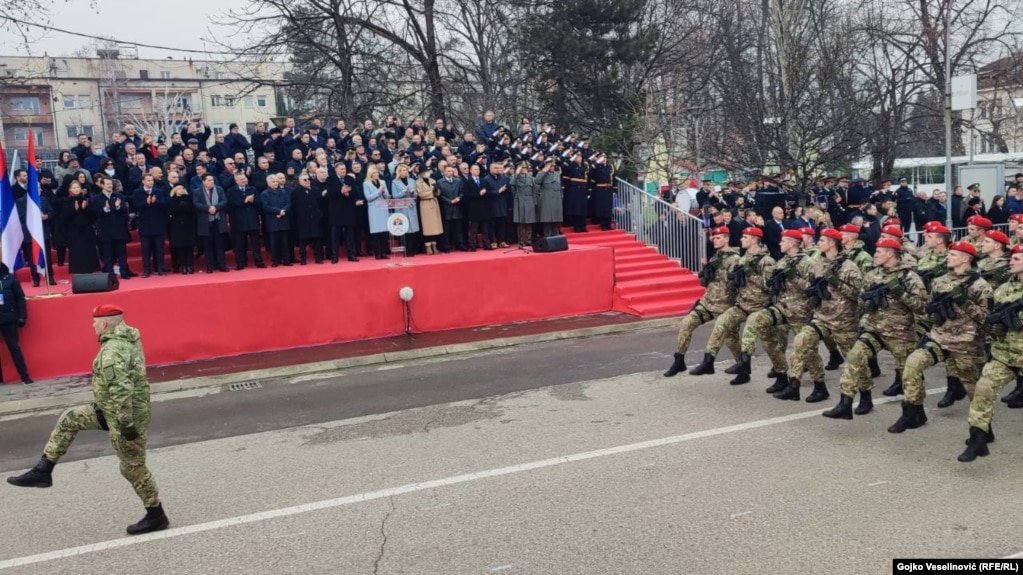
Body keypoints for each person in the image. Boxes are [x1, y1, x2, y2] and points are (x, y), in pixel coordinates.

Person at [7, 304, 169, 535]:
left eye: (94, 322)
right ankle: (44, 470)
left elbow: (122, 391)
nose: (92, 325)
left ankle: (156, 515)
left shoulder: (111, 352)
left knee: (133, 469)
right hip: (109, 410)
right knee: (69, 419)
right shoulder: (130, 337)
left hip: (124, 419)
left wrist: (127, 427)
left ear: (103, 324)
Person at [959, 243, 1023, 461]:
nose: (1011, 262)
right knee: (983, 388)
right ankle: (978, 438)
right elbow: (991, 317)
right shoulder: (1005, 288)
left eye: (1016, 258)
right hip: (1005, 354)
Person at [0, 263, 31, 384]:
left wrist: (22, 316)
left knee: (14, 348)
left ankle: (24, 376)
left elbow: (20, 298)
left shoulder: (10, 279)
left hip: (9, 318)